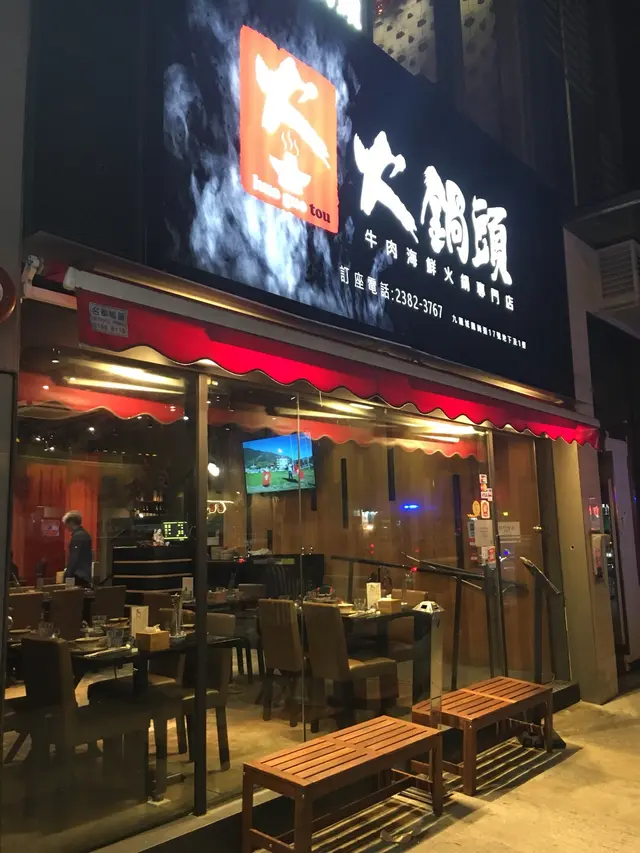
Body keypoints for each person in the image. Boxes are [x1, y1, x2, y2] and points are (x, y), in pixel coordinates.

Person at [62, 510, 93, 588]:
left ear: (71, 522)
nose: (66, 527)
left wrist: (67, 575)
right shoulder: (85, 534)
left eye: (66, 524)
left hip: (78, 575)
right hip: (85, 574)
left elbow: (74, 557)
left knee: (73, 594)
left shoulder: (77, 536)